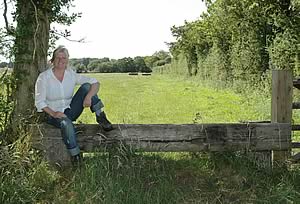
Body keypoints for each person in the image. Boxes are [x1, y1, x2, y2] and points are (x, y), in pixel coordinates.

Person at [35, 45, 113, 166]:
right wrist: (54, 113)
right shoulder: (44, 77)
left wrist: (88, 97)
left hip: (70, 110)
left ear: (67, 60)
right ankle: (76, 157)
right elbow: (40, 101)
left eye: (64, 58)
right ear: (52, 60)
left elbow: (95, 82)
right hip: (53, 114)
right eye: (58, 58)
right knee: (66, 123)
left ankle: (101, 117)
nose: (61, 60)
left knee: (87, 87)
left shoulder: (70, 75)